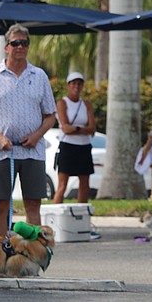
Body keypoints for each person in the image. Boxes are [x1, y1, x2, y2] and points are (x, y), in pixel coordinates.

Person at [0, 24, 57, 237]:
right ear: (6, 47)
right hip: (2, 150)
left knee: (33, 204)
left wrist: (36, 136)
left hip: (32, 151)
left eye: (24, 43)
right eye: (15, 43)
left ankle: (32, 256)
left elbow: (50, 115)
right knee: (0, 205)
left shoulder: (39, 75)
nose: (19, 47)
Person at [53, 71, 96, 204]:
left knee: (84, 184)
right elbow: (65, 128)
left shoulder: (86, 104)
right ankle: (56, 213)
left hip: (84, 147)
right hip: (68, 146)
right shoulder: (62, 103)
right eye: (73, 83)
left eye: (79, 84)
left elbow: (92, 129)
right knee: (62, 185)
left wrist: (75, 128)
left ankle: (81, 213)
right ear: (68, 85)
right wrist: (82, 129)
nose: (76, 86)